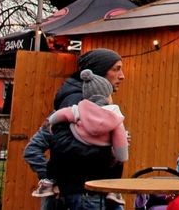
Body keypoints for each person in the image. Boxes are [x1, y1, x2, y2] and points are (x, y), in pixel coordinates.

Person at [46, 49, 129, 210]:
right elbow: (61, 145)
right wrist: (109, 150)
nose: (122, 75)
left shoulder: (91, 100)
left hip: (94, 190)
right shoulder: (77, 100)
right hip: (86, 192)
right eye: (116, 69)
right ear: (99, 71)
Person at [46, 70, 131, 164]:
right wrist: (122, 157)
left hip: (80, 139)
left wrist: (50, 121)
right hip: (102, 149)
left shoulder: (79, 109)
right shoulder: (115, 116)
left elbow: (62, 114)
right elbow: (120, 140)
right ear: (107, 96)